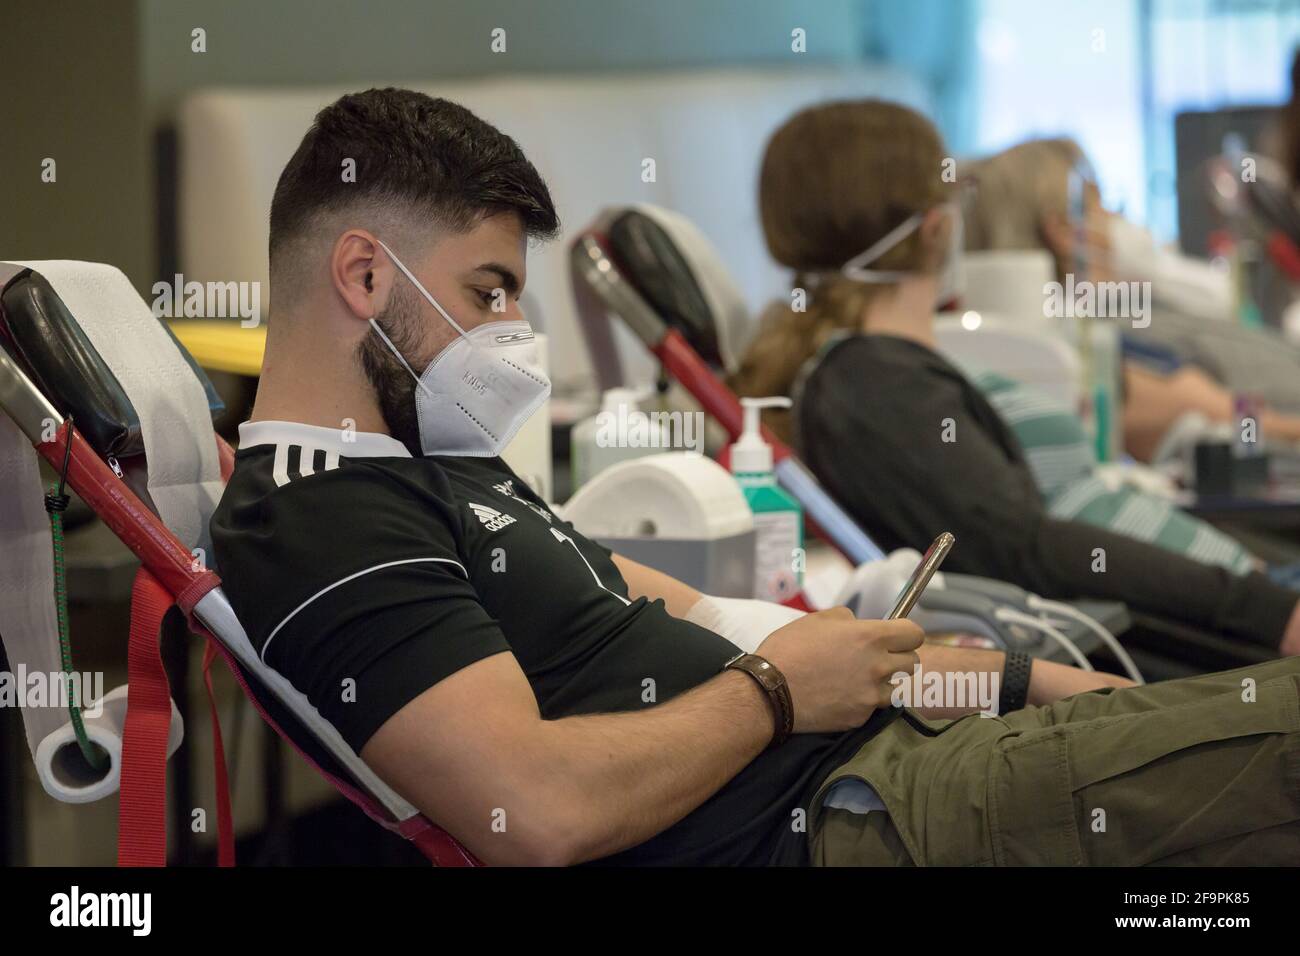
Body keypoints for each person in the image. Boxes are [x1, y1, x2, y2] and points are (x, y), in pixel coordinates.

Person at [212, 89, 1300, 866]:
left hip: (919, 744)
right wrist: (780, 697)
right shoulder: (319, 517)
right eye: (490, 289)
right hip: (862, 810)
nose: (514, 330)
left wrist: (1032, 683)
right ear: (362, 273)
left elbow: (733, 623)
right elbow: (532, 810)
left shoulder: (445, 471)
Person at [730, 99, 1300, 657]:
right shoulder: (872, 383)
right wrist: (1261, 609)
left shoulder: (885, 370)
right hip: (1221, 620)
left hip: (1236, 596)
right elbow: (1024, 547)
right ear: (935, 227)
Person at [964, 136, 1300, 459]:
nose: (1119, 218)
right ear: (1065, 231)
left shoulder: (1125, 312)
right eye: (1102, 206)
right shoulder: (1097, 336)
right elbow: (1223, 415)